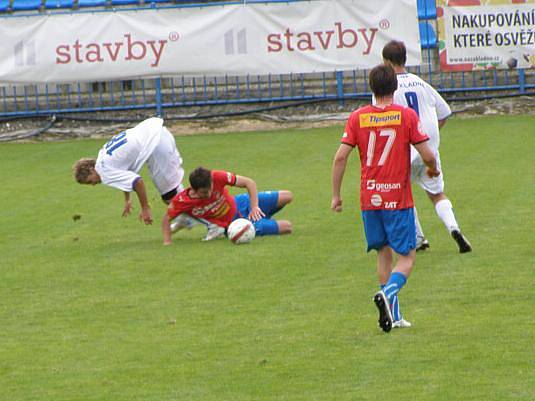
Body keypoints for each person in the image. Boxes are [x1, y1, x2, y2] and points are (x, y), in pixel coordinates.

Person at [331, 64, 440, 333]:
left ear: (371, 87)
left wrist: (336, 195)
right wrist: (433, 168)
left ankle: (395, 315)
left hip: (370, 197)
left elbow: (340, 157)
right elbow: (427, 153)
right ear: (395, 87)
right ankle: (388, 295)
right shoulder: (404, 116)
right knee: (407, 257)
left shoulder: (358, 117)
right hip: (397, 197)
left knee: (382, 252)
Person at [380, 40, 472, 253]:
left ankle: (419, 239)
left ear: (386, 61)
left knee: (400, 194)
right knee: (438, 195)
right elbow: (444, 113)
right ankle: (454, 228)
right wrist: (428, 136)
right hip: (428, 150)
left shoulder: (387, 87)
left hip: (402, 151)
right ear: (404, 59)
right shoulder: (421, 83)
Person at [73, 117, 193, 228]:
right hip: (157, 131)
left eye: (89, 181)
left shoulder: (103, 172)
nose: (93, 184)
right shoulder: (102, 157)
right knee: (171, 192)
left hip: (156, 143)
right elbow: (125, 175)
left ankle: (208, 218)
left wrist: (145, 208)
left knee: (170, 196)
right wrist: (127, 199)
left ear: (91, 169)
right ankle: (185, 216)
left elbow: (137, 181)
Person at [162, 167, 293, 245]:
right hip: (235, 223)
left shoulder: (217, 176)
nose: (208, 194)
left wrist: (254, 207)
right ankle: (260, 224)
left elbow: (249, 183)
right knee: (287, 227)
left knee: (288, 196)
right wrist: (167, 243)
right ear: (194, 189)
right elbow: (166, 219)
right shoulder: (182, 200)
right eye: (203, 192)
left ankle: (261, 216)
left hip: (241, 203)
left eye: (210, 189)